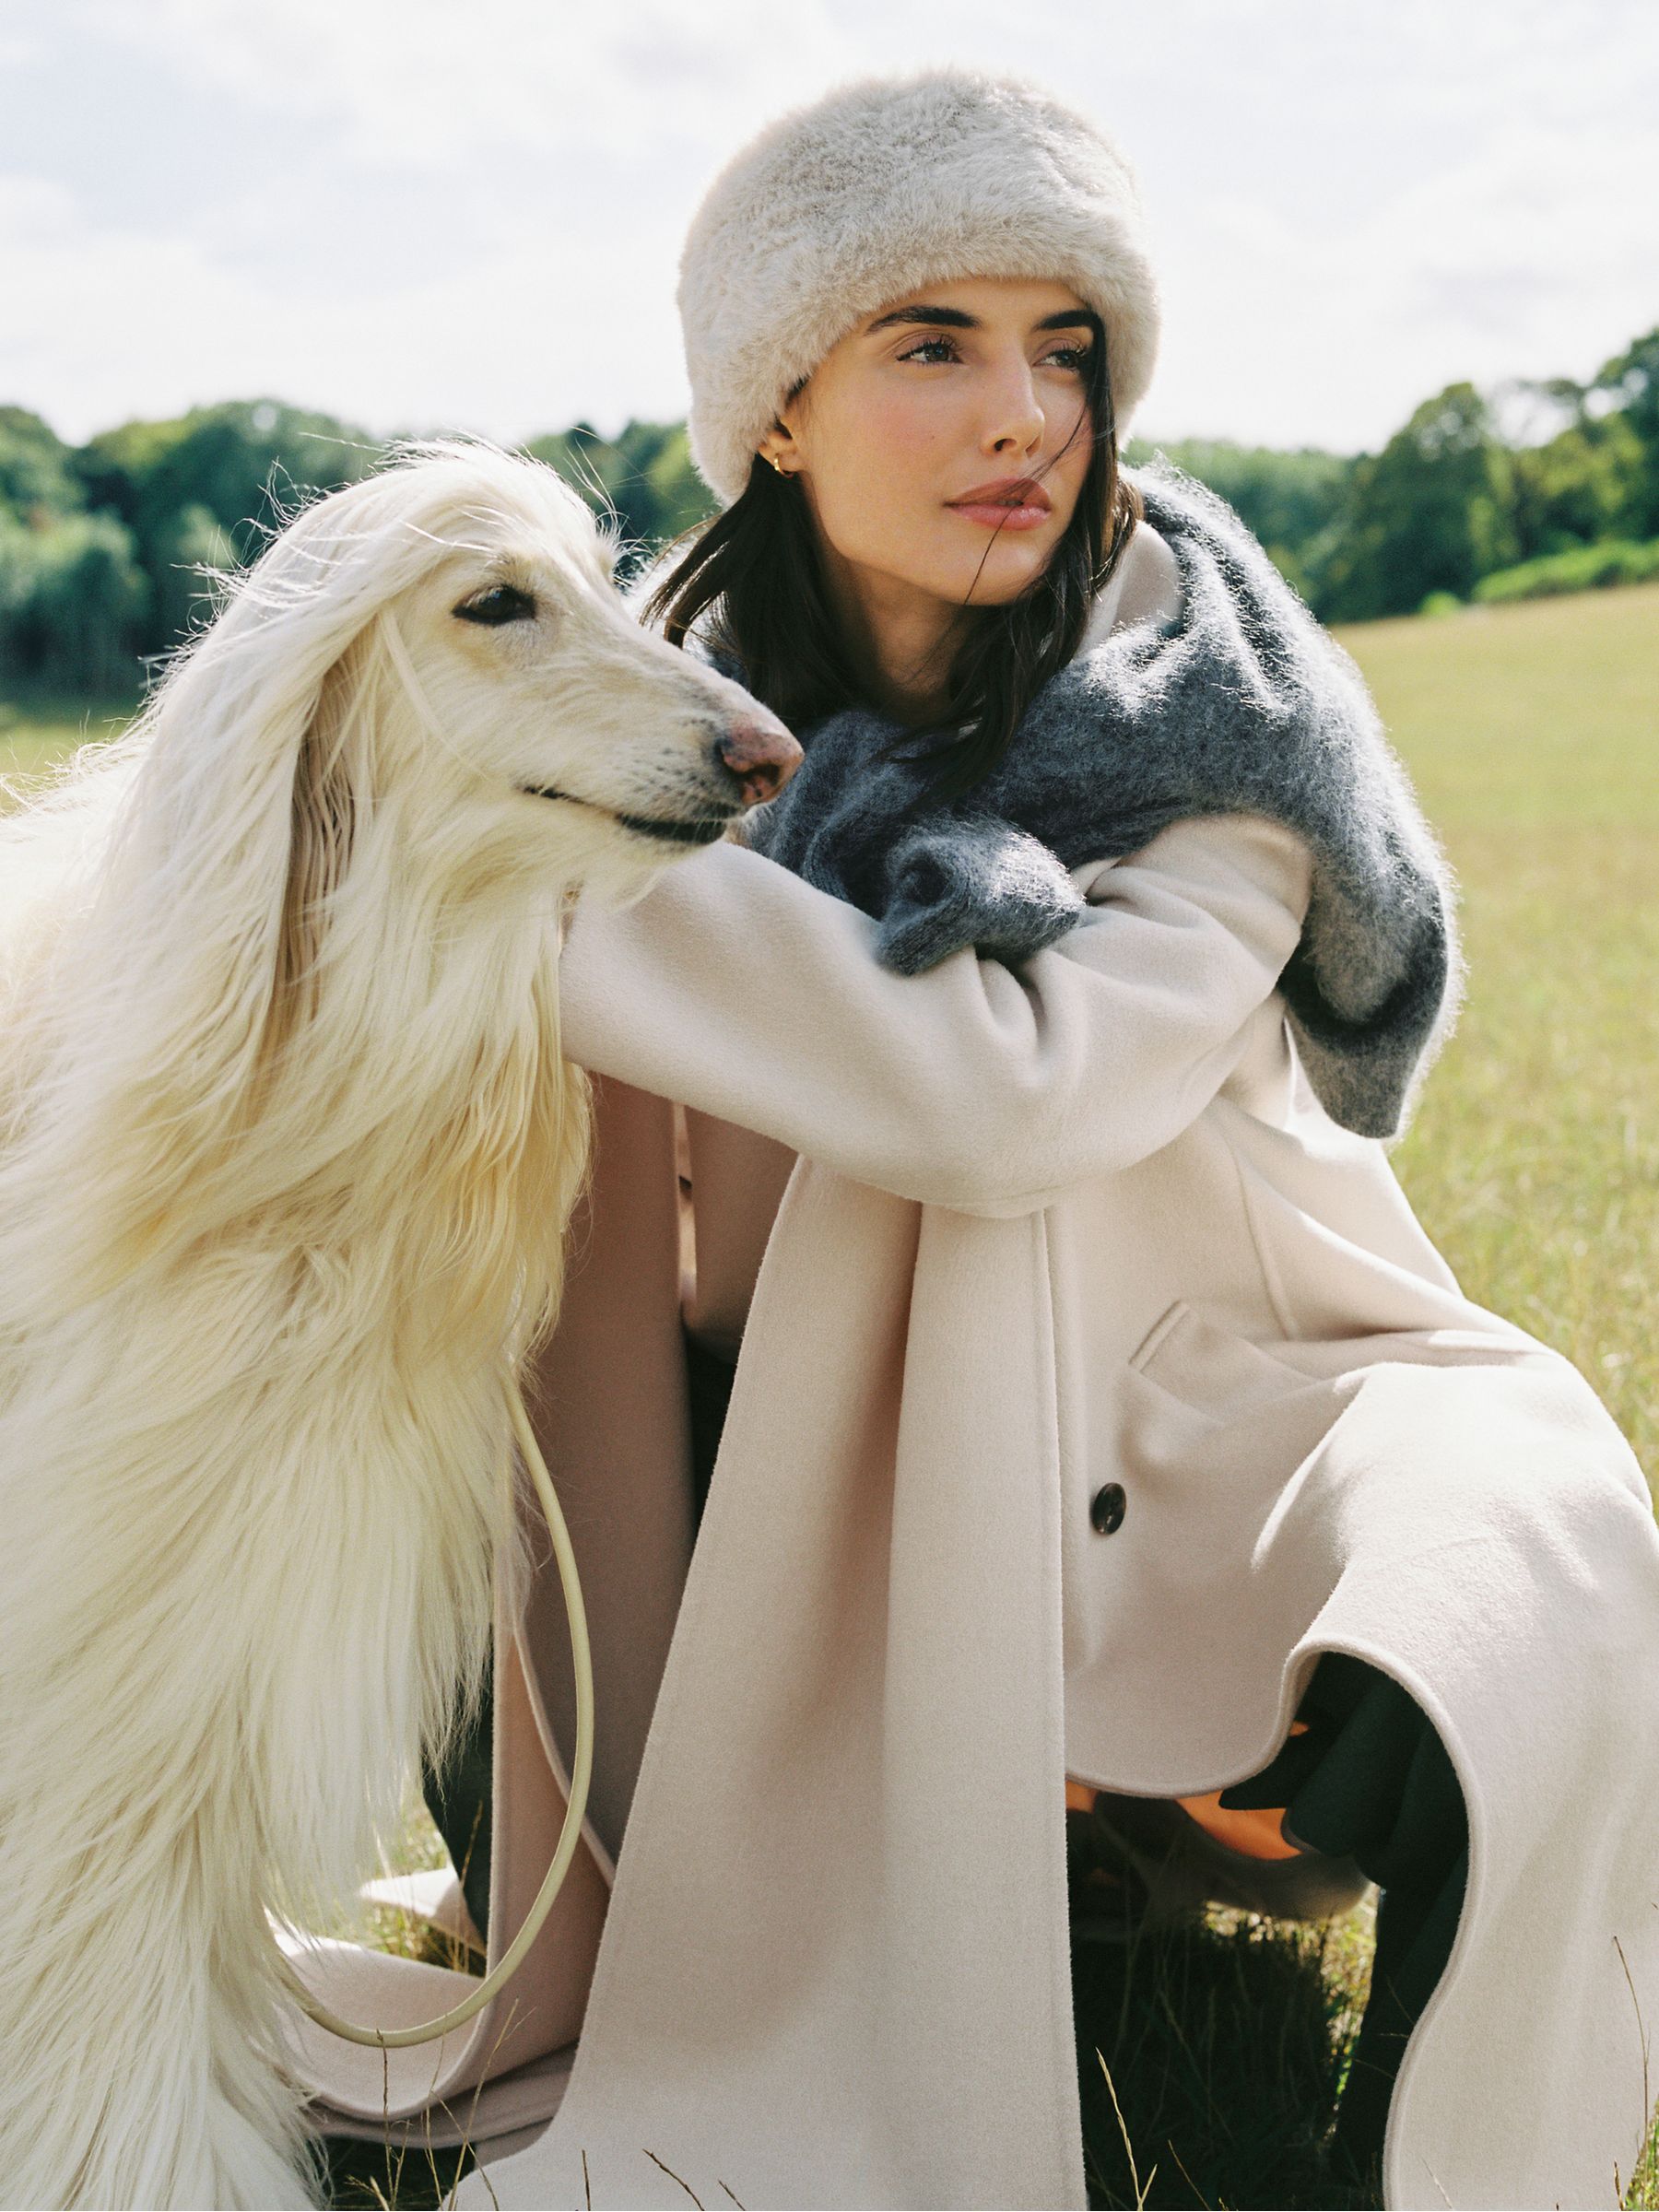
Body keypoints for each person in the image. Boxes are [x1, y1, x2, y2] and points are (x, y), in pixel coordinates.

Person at [409, 67, 1659, 2212]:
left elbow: (1008, 1102)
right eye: (932, 343)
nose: (1027, 415)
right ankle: (954, 1889)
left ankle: (1283, 2021)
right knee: (460, 1556)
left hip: (1226, 1438)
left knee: (1523, 1558)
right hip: (796, 1478)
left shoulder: (1209, 720)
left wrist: (545, 864)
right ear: (776, 408)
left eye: (1065, 347)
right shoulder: (638, 725)